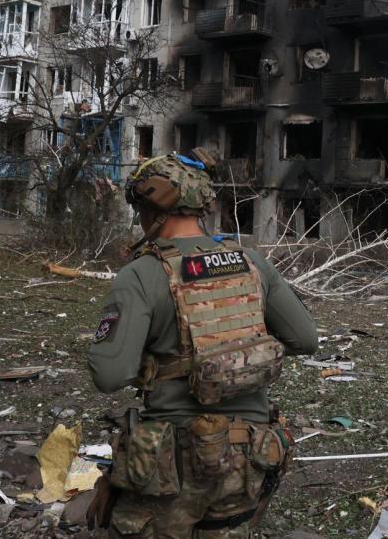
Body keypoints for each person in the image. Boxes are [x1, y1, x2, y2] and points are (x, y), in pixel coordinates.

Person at [86, 149, 318, 538]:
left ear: (152, 206)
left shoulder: (141, 274)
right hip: (249, 457)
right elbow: (305, 339)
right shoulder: (251, 263)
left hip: (170, 466)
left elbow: (111, 374)